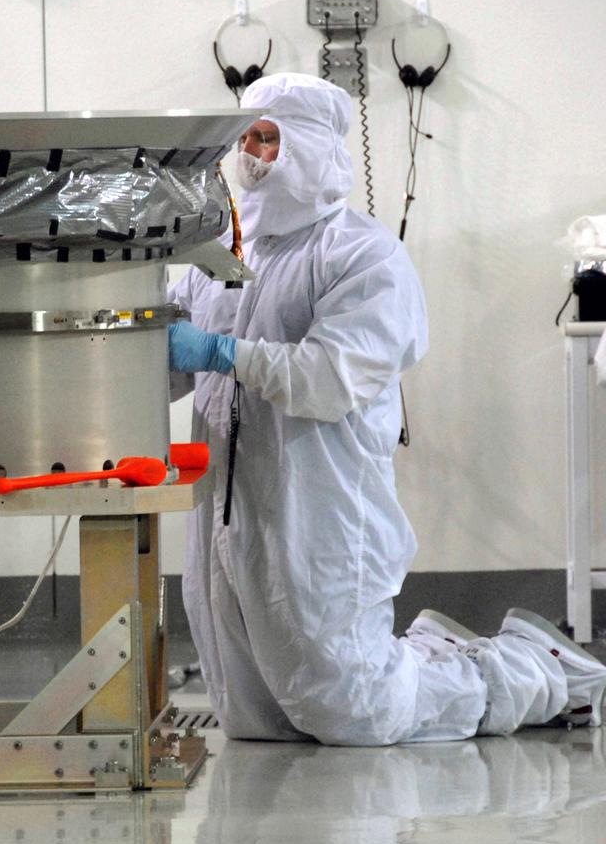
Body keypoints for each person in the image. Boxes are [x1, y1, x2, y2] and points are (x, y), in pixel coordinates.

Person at [168, 72, 606, 745]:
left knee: (359, 710)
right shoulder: (215, 258)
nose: (254, 156)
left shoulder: (362, 255)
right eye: (247, 138)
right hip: (226, 516)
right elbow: (174, 362)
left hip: (316, 507)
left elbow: (330, 376)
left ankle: (532, 665)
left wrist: (222, 353)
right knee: (253, 717)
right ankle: (429, 647)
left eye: (270, 139)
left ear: (312, 146)